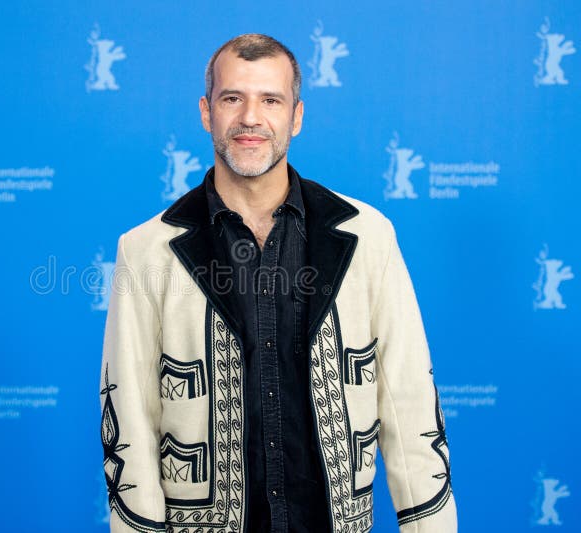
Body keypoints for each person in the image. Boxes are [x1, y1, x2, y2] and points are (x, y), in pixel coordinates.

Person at [100, 33, 457, 533]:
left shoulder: (367, 235)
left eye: (271, 99)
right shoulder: (145, 251)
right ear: (207, 113)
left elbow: (408, 400)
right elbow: (129, 421)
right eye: (232, 99)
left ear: (296, 116)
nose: (251, 118)